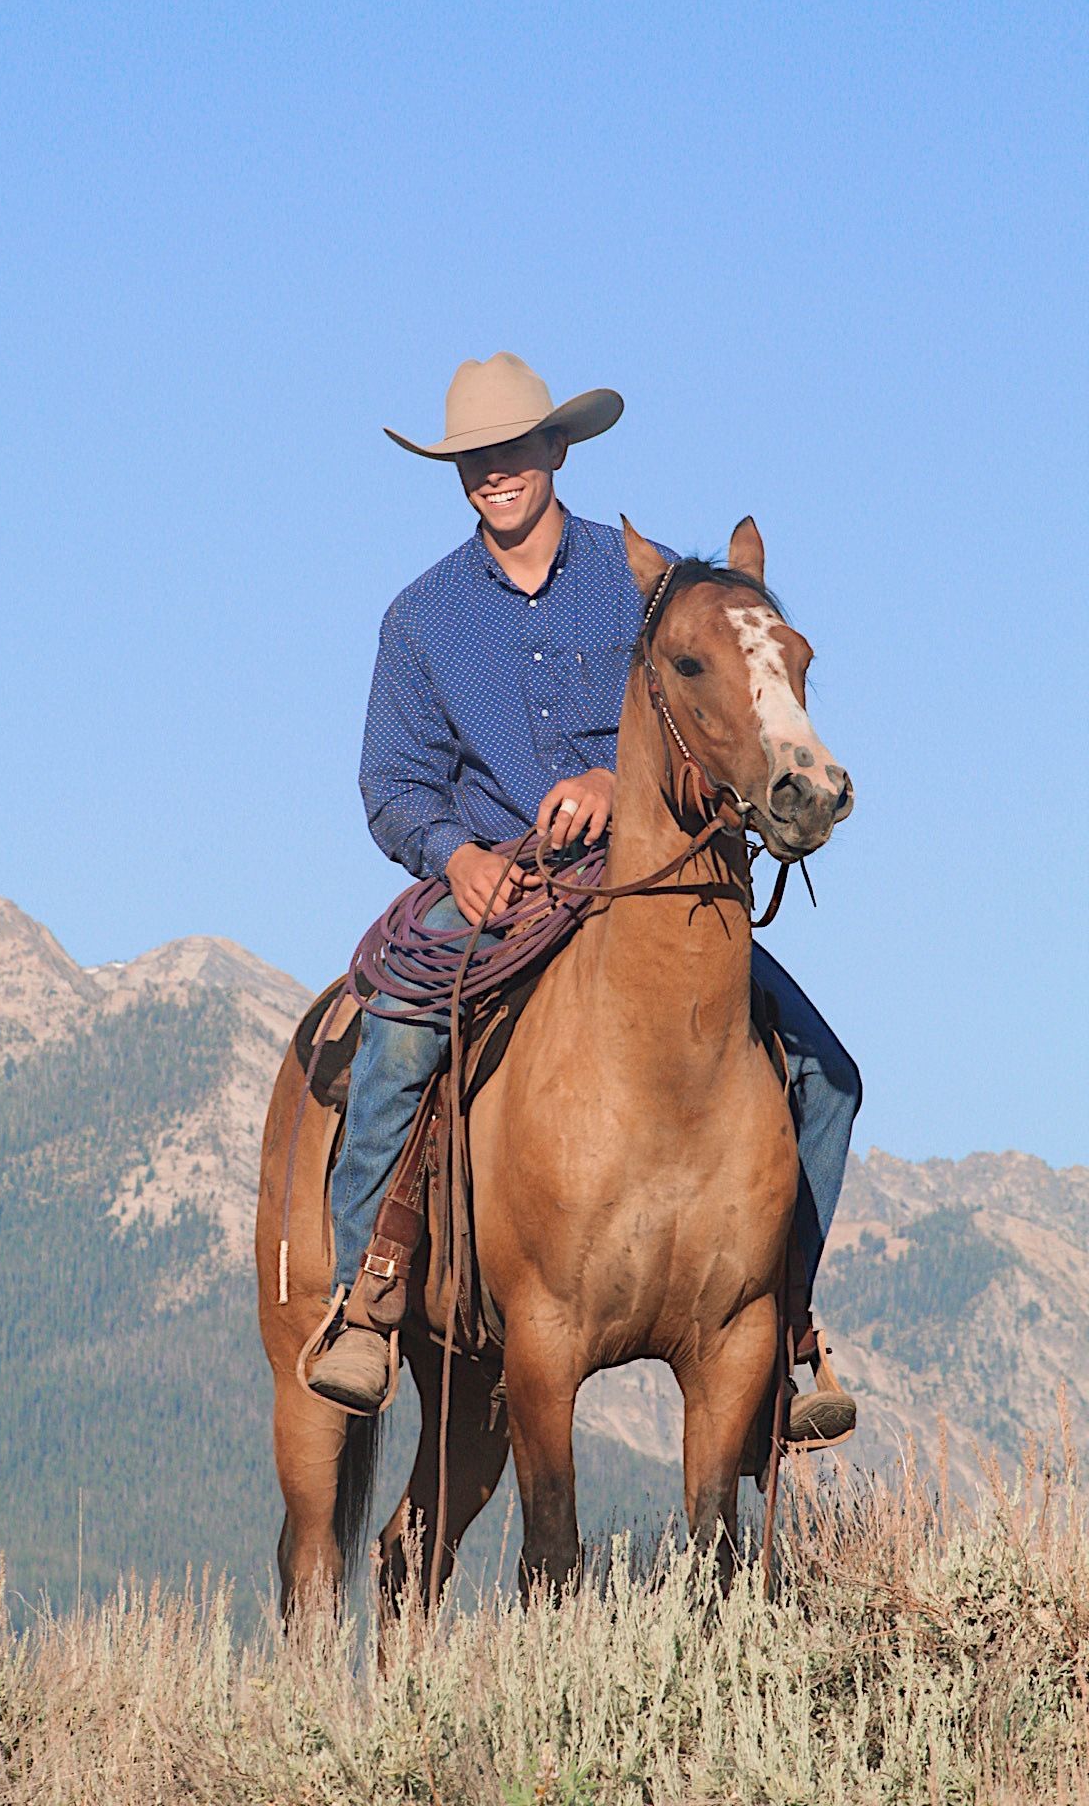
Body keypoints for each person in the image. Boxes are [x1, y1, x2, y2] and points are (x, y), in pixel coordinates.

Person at [309, 352, 861, 1432]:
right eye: (472, 458)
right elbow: (390, 783)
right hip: (495, 886)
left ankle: (788, 1321)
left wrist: (616, 780)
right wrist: (453, 855)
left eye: (512, 450)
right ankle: (363, 1297)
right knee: (398, 1035)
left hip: (647, 879)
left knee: (828, 1076)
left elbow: (699, 712)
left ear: (555, 450)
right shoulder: (419, 620)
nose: (493, 473)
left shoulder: (644, 584)